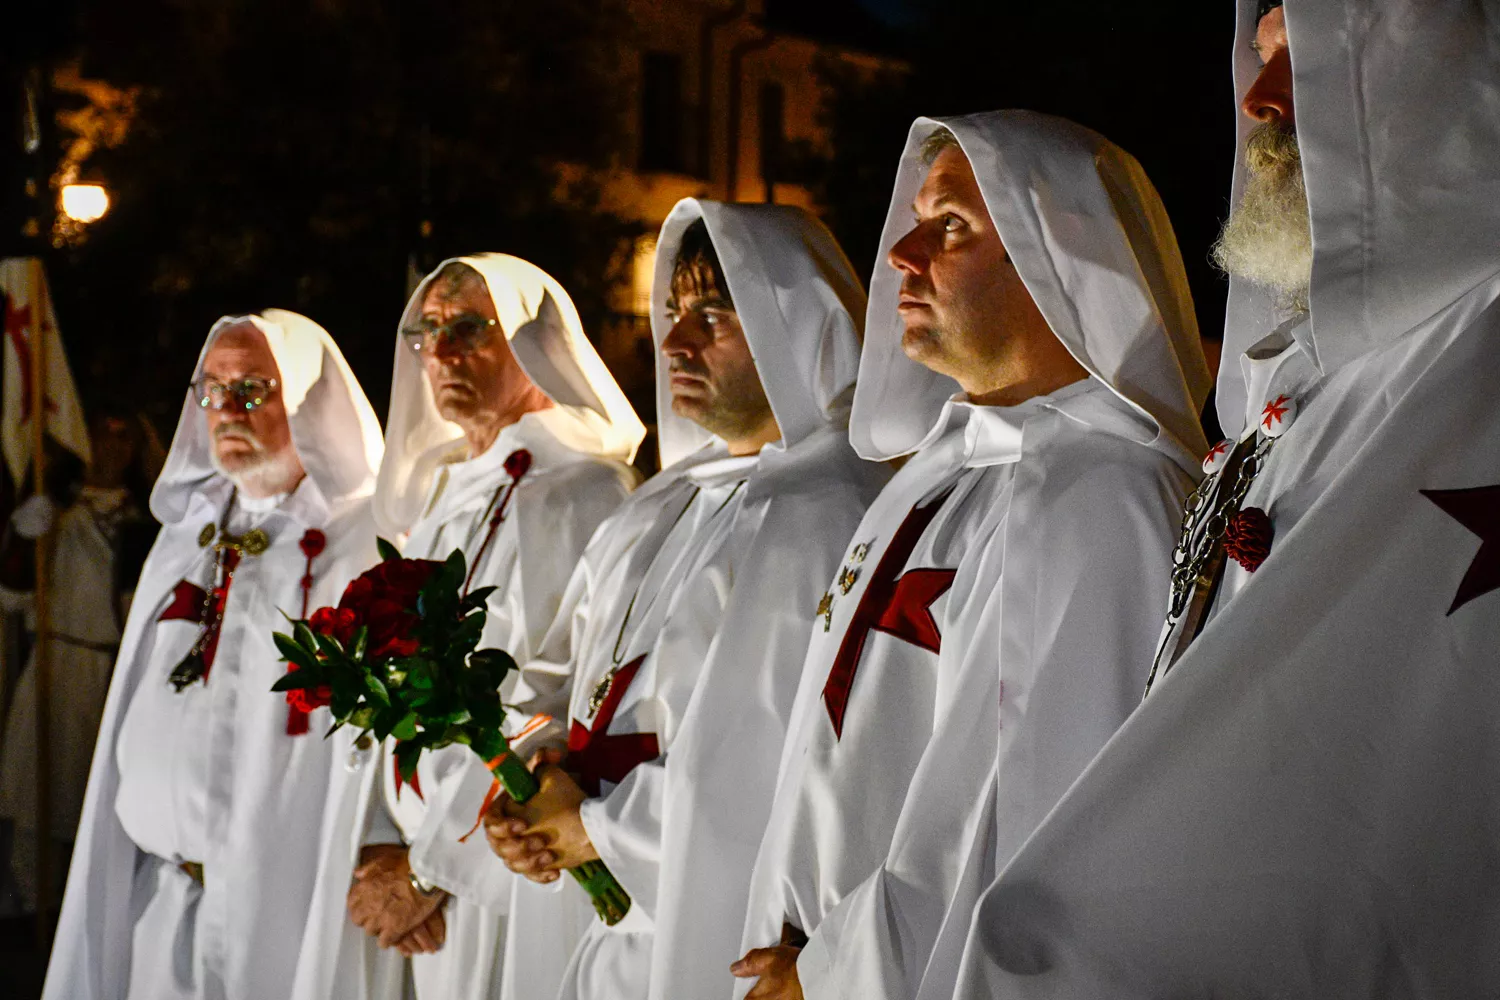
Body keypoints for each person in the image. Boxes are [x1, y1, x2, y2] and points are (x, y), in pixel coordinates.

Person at [942, 4, 1500, 997]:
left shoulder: (1470, 371)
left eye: (1316, 56)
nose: (1259, 98)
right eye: (1264, 56)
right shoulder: (1298, 393)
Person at [732, 111, 1211, 1000]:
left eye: (950, 226)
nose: (901, 255)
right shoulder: (936, 474)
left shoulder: (1101, 496)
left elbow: (1028, 824)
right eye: (916, 221)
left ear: (1051, 255)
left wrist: (834, 974)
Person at [485, 201, 889, 1000]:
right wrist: (530, 770)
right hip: (606, 916)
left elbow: (769, 755)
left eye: (713, 315)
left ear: (794, 323)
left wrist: (595, 825)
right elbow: (553, 680)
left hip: (718, 927)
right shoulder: (658, 502)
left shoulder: (829, 510)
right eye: (671, 313)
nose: (674, 342)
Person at [292, 255, 643, 1000]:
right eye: (427, 332)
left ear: (534, 342)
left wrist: (433, 869)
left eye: (468, 328)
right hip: (413, 875)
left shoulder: (585, 489)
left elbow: (567, 693)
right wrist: (387, 844)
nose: (441, 352)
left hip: (511, 877)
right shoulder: (445, 489)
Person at [42, 311, 384, 1000]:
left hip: (285, 915)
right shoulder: (188, 535)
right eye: (212, 388)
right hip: (158, 904)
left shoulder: (363, 544)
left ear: (308, 400)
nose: (226, 408)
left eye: (254, 389)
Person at [0, 409, 161, 915]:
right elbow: (11, 595)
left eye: (126, 439)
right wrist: (26, 537)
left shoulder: (151, 518)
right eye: (104, 435)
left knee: (105, 804)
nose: (114, 448)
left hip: (122, 676)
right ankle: (32, 914)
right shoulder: (56, 511)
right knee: (38, 800)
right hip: (59, 667)